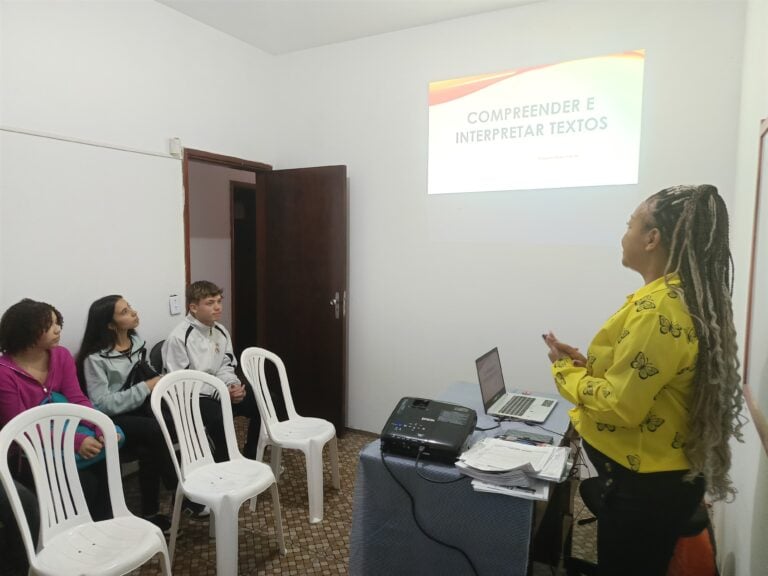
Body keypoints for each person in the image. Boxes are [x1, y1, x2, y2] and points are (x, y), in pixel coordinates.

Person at [543, 184, 744, 576]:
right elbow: (650, 382)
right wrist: (590, 366)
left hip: (645, 491)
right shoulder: (675, 298)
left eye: (629, 225)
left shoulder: (657, 311)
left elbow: (622, 404)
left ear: (652, 238)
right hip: (661, 482)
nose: (623, 236)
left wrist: (564, 371)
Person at [0, 299, 113, 521]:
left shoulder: (60, 356)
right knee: (85, 485)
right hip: (24, 453)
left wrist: (98, 425)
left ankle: (104, 529)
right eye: (50, 325)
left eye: (57, 322)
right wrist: (76, 441)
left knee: (107, 459)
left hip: (62, 439)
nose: (58, 329)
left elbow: (77, 399)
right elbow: (20, 427)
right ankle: (69, 538)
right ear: (27, 332)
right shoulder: (4, 373)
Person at [76, 295, 176, 532]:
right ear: (110, 325)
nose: (133, 312)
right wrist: (145, 387)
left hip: (139, 410)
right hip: (113, 418)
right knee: (154, 429)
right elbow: (100, 405)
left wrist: (156, 383)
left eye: (129, 307)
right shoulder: (95, 358)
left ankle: (151, 513)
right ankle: (179, 488)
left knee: (152, 443)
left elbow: (145, 375)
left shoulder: (136, 341)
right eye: (124, 312)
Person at [162, 280, 261, 462]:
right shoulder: (178, 338)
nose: (217, 307)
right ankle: (224, 465)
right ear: (193, 307)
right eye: (210, 303)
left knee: (265, 400)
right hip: (190, 397)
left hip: (219, 390)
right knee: (219, 415)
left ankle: (251, 455)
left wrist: (232, 385)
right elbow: (183, 384)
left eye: (218, 301)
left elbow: (225, 364)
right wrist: (221, 393)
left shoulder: (220, 331)